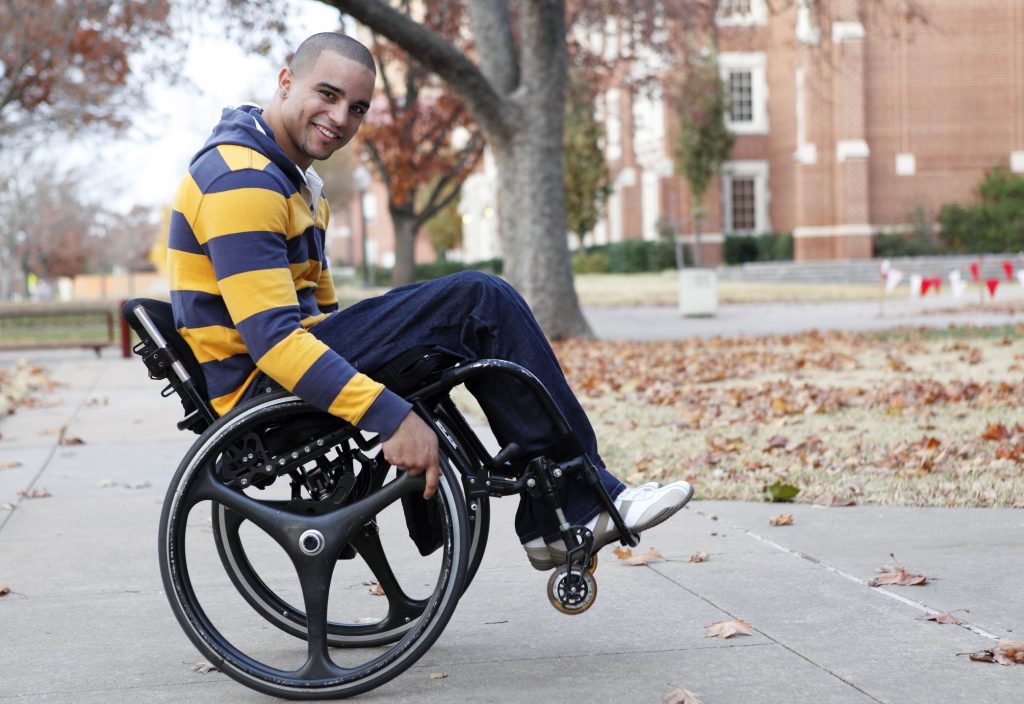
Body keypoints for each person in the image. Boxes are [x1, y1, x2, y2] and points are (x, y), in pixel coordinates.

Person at [167, 31, 692, 570]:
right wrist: (389, 414)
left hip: (276, 368)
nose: (340, 118)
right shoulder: (243, 180)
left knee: (469, 310)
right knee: (477, 301)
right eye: (326, 95)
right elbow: (274, 340)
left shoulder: (291, 181)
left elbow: (319, 317)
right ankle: (572, 504)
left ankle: (561, 505)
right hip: (261, 392)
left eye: (357, 108)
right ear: (285, 81)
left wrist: (397, 368)